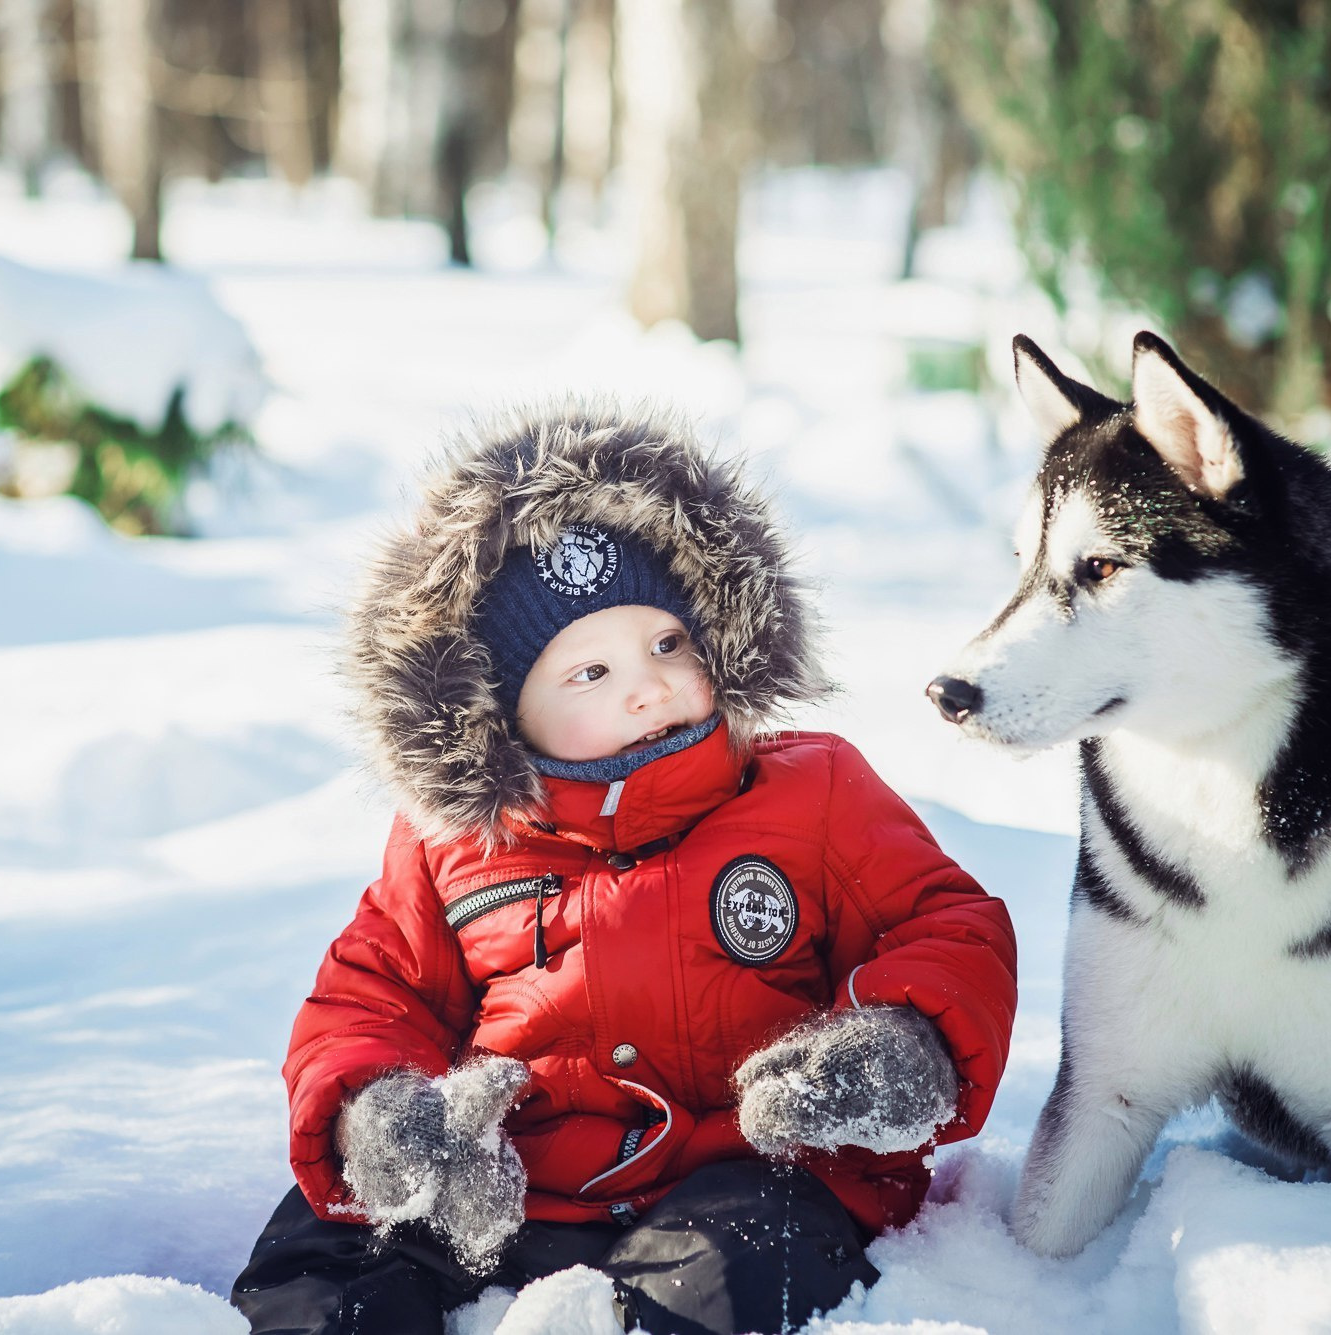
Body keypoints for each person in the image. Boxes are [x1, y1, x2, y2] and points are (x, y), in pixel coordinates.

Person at [232, 405, 1018, 1335]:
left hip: (741, 1172)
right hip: (508, 1188)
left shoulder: (811, 791)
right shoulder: (457, 839)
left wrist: (903, 1042)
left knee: (749, 1262)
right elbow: (371, 993)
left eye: (666, 644)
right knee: (327, 1246)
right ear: (500, 717)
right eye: (589, 674)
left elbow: (945, 924)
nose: (646, 683)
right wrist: (387, 1119)